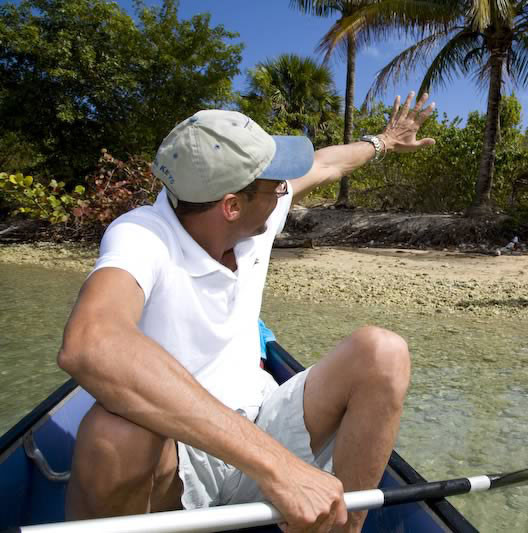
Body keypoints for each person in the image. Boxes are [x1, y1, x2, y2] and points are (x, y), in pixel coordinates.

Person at [57, 92, 436, 533]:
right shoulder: (142, 235)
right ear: (232, 205)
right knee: (112, 434)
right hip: (179, 453)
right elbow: (89, 344)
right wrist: (276, 466)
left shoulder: (250, 211)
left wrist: (384, 141)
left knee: (383, 352)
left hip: (260, 415)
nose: (286, 191)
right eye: (278, 186)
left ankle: (341, 529)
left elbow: (327, 164)